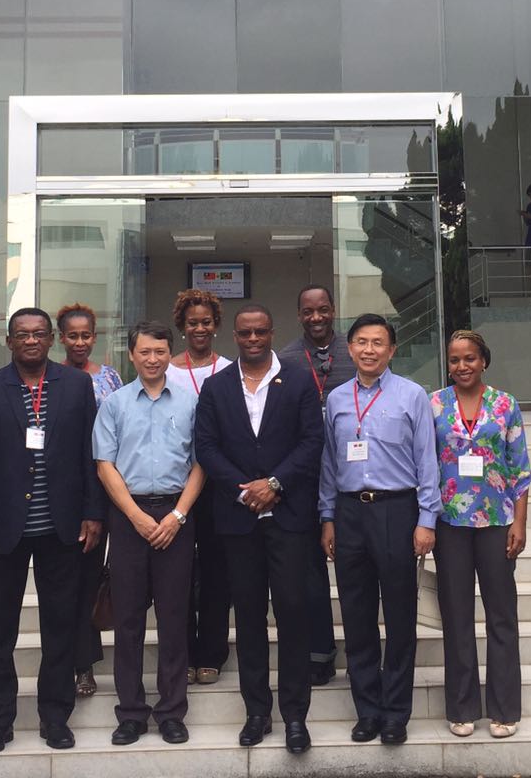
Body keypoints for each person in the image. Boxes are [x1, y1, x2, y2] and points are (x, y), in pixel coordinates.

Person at [0, 308, 105, 755]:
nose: (30, 340)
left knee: (59, 625)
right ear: (8, 341)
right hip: (4, 531)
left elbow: (90, 453)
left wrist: (92, 512)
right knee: (0, 629)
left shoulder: (77, 386)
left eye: (39, 333)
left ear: (50, 340)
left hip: (62, 528)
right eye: (21, 334)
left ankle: (55, 717)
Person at [194, 304, 324, 755]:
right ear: (235, 335)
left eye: (260, 331)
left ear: (272, 333)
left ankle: (295, 716)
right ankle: (256, 713)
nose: (253, 339)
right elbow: (206, 447)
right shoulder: (216, 387)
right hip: (238, 521)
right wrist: (245, 489)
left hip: (289, 518)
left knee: (292, 614)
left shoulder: (300, 381)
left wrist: (274, 484)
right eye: (245, 332)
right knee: (248, 618)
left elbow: (312, 441)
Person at [318, 313, 440, 745]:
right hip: (350, 513)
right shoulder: (336, 399)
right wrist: (327, 517)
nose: (369, 350)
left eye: (378, 343)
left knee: (401, 616)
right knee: (357, 616)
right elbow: (329, 463)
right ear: (350, 348)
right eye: (361, 342)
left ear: (391, 350)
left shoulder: (412, 395)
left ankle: (396, 713)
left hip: (397, 511)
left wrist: (427, 519)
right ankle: (367, 711)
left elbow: (428, 461)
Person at [92, 319, 204, 746]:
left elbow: (201, 463)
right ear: (132, 355)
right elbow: (105, 464)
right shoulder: (115, 404)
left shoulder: (191, 402)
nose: (152, 359)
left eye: (160, 352)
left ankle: (172, 711)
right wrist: (136, 517)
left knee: (174, 617)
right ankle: (131, 713)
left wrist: (178, 515)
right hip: (128, 516)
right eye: (144, 352)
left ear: (169, 354)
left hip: (177, 514)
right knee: (128, 619)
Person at [431, 328, 531, 739]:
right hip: (449, 523)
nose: (462, 366)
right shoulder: (434, 404)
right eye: (455, 359)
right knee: (456, 617)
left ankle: (505, 708)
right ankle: (463, 707)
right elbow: (425, 464)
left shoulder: (505, 404)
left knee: (501, 616)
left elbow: (520, 469)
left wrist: (520, 523)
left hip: (496, 521)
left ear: (483, 360)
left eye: (469, 358)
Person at [276, 284, 350, 685]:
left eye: (323, 309)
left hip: (353, 478)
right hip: (304, 480)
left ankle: (362, 656)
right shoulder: (285, 360)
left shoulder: (355, 353)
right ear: (299, 315)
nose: (316, 317)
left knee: (356, 572)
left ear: (333, 310)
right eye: (308, 311)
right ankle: (319, 654)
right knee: (309, 574)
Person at [56, 302, 124, 700]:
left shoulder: (110, 377)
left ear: (94, 337)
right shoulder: (53, 377)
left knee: (97, 579)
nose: (79, 342)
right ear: (61, 338)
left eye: (86, 335)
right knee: (73, 581)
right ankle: (81, 664)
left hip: (109, 487)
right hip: (68, 490)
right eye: (72, 336)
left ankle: (94, 661)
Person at [165, 287, 231, 685]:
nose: (200, 328)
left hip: (218, 486)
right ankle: (184, 652)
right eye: (192, 323)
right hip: (176, 483)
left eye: (206, 322)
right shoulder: (166, 369)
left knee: (215, 571)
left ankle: (212, 652)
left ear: (216, 324)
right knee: (178, 573)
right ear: (182, 326)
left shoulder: (230, 369)